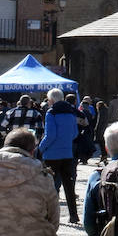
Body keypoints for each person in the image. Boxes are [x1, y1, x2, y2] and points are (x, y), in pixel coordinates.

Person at [38, 88, 81, 223]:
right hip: (67, 153)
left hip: (52, 155)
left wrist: (40, 148)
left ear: (51, 100)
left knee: (50, 187)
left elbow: (50, 135)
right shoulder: (71, 113)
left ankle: (48, 215)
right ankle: (73, 215)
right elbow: (75, 134)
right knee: (69, 186)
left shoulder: (51, 113)